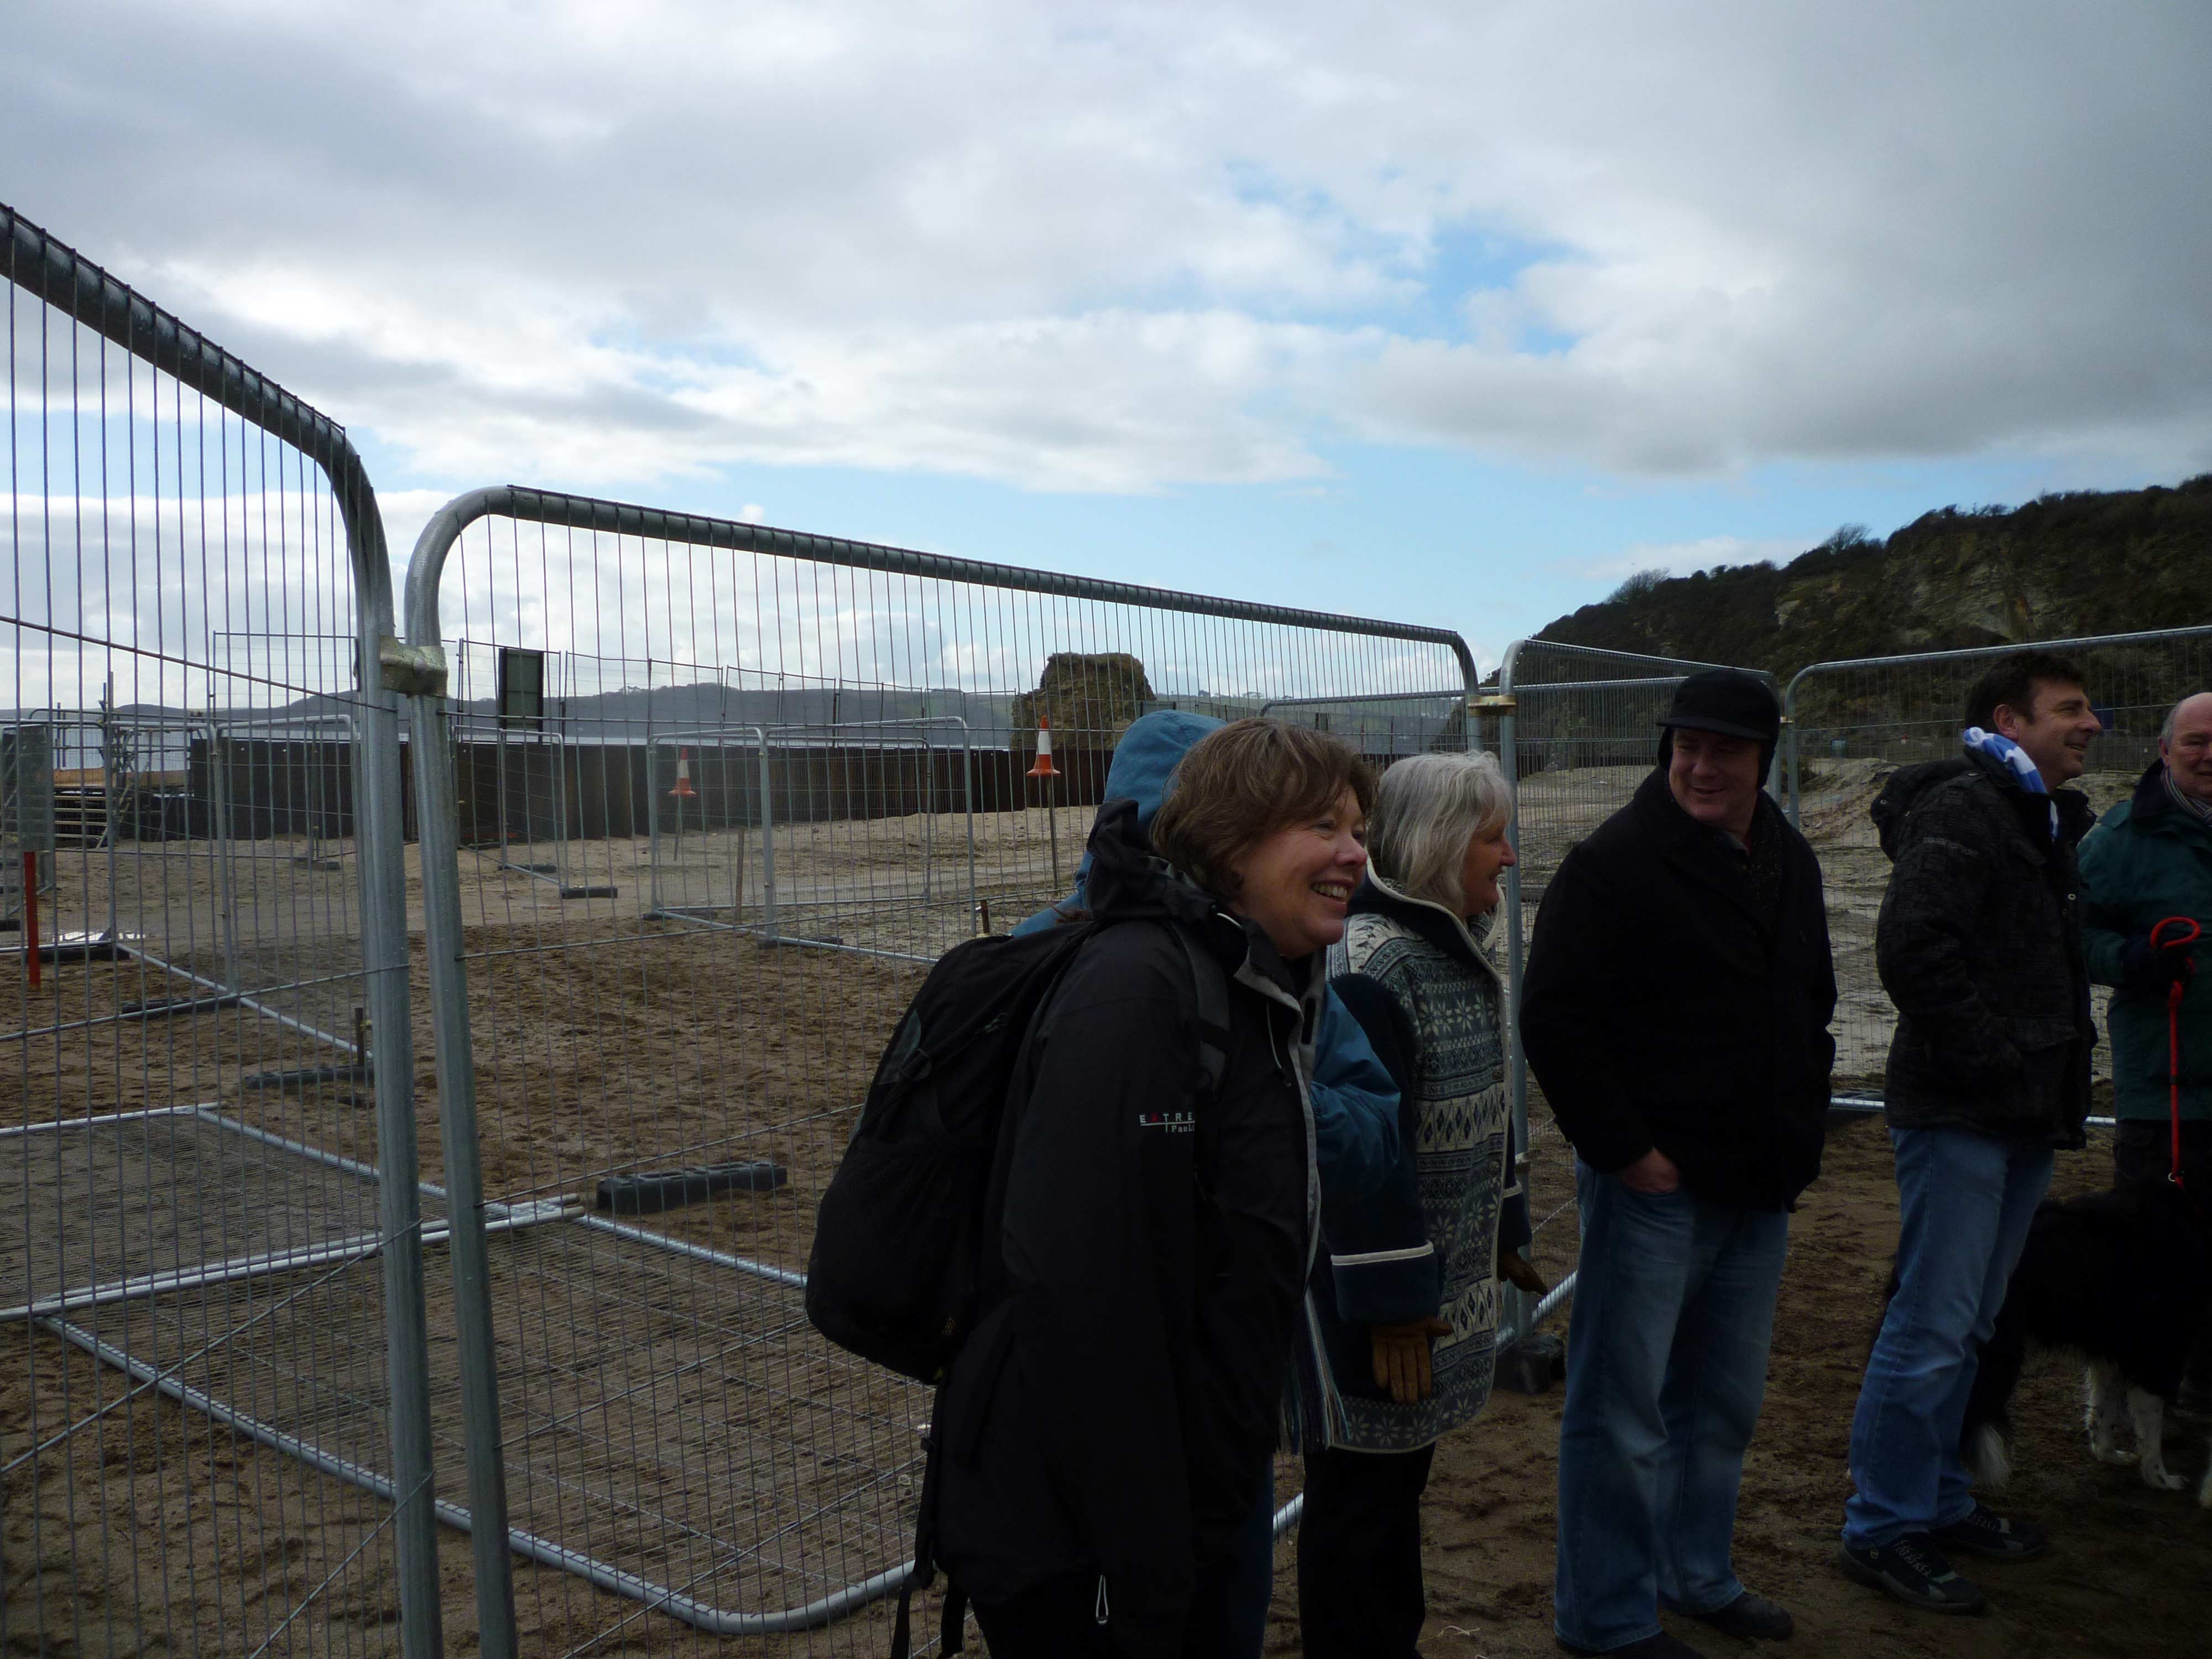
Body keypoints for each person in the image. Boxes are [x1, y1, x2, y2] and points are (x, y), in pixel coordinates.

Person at [933, 718, 1375, 1657]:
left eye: (1358, 828)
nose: (1355, 854)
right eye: (1324, 826)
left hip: (1195, 1474)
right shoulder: (1141, 989)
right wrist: (1144, 1549)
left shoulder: (1252, 982)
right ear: (1232, 840)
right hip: (1107, 1510)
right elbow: (1080, 1289)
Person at [1521, 669, 1836, 1659]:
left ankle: (1696, 1574)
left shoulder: (1786, 855)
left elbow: (1812, 998)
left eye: (1724, 750)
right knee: (1620, 1413)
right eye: (1685, 746)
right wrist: (1627, 1152)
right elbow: (1554, 1019)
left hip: (1760, 1180)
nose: (1700, 767)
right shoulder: (1614, 862)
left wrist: (1803, 1125)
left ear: (1763, 758)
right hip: (1655, 1189)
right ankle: (1607, 1617)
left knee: (1722, 1401)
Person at [1838, 650, 2102, 1614]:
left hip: (2019, 1113)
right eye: (2070, 709)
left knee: (1973, 1323)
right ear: (2010, 718)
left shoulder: (2035, 815)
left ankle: (1938, 1500)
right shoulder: (1967, 810)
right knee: (1933, 1327)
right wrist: (1996, 1062)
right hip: (1967, 1112)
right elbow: (1914, 946)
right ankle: (1882, 1529)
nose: (2092, 724)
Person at [1291, 750, 1541, 1659]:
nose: (1509, 857)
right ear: (1442, 845)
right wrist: (1393, 1303)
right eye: (1492, 838)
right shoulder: (1375, 963)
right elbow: (1360, 1152)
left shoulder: (1447, 945)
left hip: (1431, 1305)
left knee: (1396, 1500)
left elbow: (1480, 1105)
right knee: (1360, 1512)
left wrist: (1505, 1226)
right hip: (1382, 1319)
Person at [2079, 689, 2211, 1407]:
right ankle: (2136, 1403)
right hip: (2165, 1092)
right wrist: (2132, 960)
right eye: (2195, 741)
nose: (2210, 754)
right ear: (2164, 751)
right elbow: (2075, 936)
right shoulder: (2120, 839)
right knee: (2152, 1261)